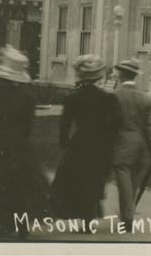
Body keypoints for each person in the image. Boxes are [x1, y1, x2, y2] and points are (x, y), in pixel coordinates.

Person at [0, 45, 49, 239]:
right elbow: (28, 126)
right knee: (21, 186)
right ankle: (21, 225)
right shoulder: (27, 97)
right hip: (19, 145)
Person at [50, 55, 122, 226]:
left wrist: (64, 141)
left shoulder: (73, 98)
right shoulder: (108, 98)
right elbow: (117, 124)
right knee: (95, 179)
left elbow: (65, 124)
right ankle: (88, 216)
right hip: (102, 144)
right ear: (98, 77)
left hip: (80, 142)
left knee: (78, 178)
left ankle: (78, 214)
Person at [111, 58, 151, 232]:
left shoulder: (114, 96)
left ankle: (127, 218)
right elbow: (149, 125)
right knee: (133, 182)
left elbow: (109, 124)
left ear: (122, 75)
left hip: (121, 145)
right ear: (135, 76)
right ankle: (128, 212)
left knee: (124, 183)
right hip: (142, 146)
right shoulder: (145, 97)